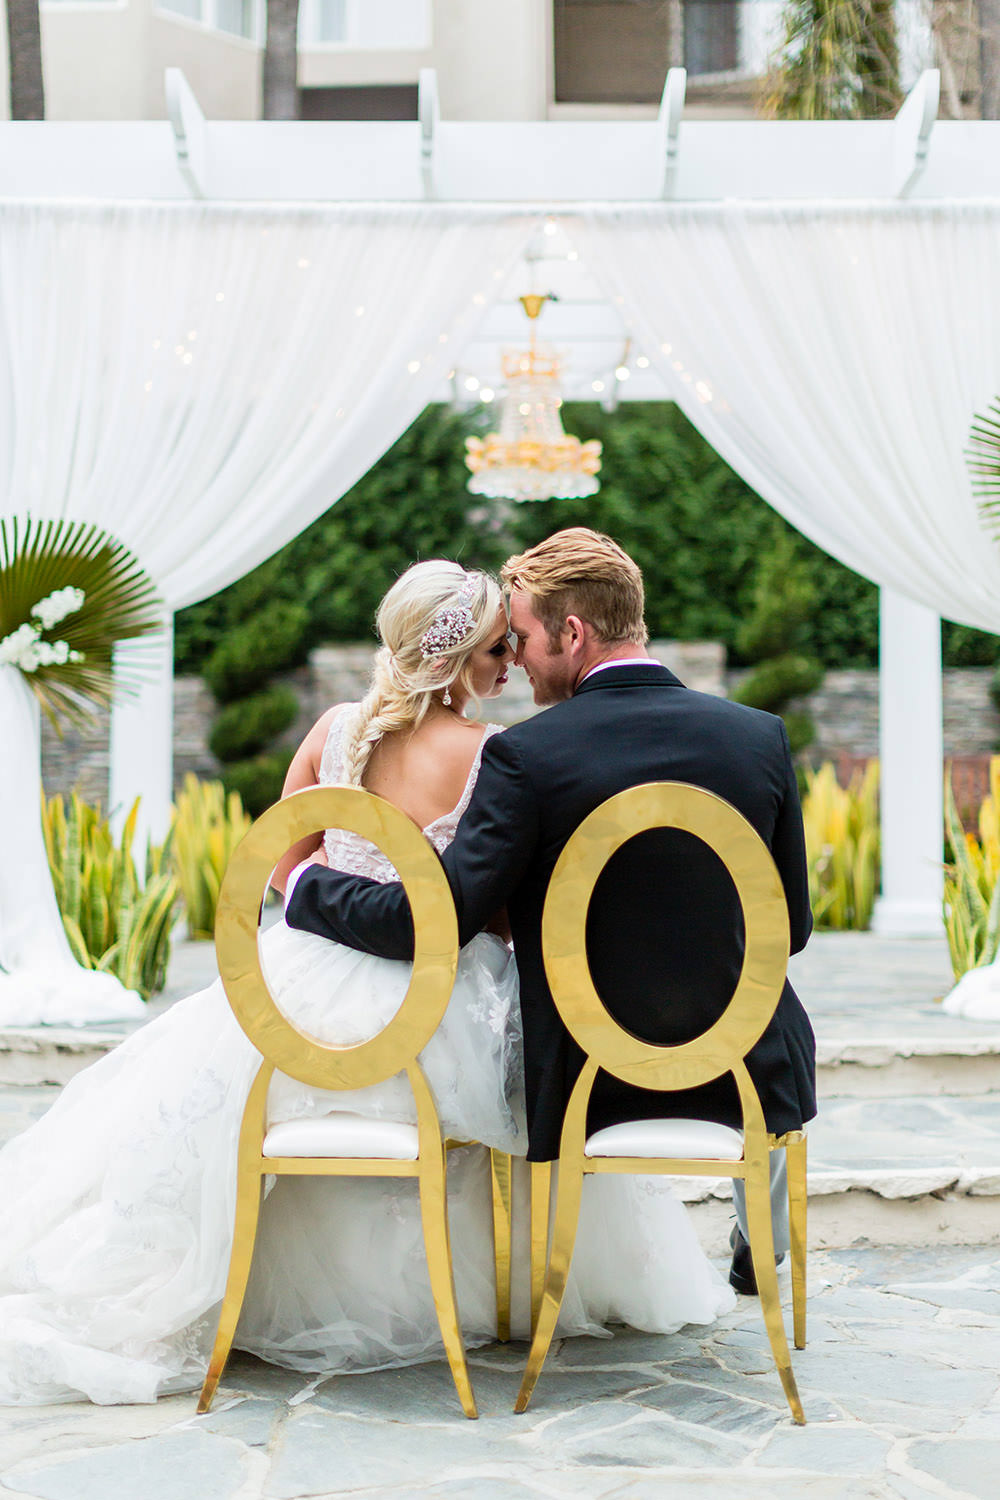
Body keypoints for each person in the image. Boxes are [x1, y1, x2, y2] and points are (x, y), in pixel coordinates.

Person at [0, 559, 733, 1408]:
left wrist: (328, 900)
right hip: (437, 997)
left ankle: (243, 1286)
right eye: (500, 648)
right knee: (502, 1088)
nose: (509, 666)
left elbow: (283, 861)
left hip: (302, 985)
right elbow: (490, 905)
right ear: (460, 660)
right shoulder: (492, 753)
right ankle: (491, 1289)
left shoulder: (336, 732)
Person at [286, 530, 817, 1296]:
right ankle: (759, 1243)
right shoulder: (758, 738)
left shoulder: (527, 756)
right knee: (760, 1017)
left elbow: (435, 918)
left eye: (525, 639)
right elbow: (790, 929)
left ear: (572, 633)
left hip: (586, 1073)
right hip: (742, 1069)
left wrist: (306, 885)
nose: (519, 661)